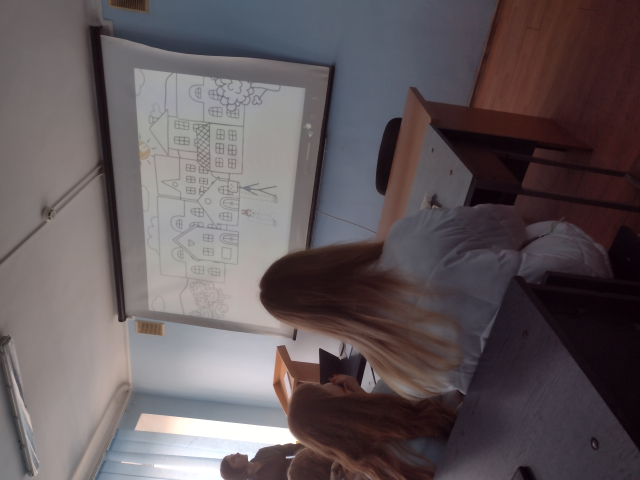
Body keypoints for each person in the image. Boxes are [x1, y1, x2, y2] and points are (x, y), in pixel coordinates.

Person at [260, 205, 612, 398]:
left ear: (315, 320)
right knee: (535, 227)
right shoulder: (409, 236)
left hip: (560, 376)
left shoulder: (394, 372)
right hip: (580, 290)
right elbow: (512, 222)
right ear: (320, 259)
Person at [287, 374, 458, 480]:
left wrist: (366, 400)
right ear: (329, 408)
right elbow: (444, 389)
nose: (327, 383)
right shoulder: (390, 398)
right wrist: (370, 399)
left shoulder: (370, 466)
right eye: (319, 387)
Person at [220, 443, 304, 480]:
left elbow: (289, 448)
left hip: (307, 458)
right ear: (237, 472)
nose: (237, 453)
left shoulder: (262, 452)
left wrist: (309, 447)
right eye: (233, 459)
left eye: (233, 454)